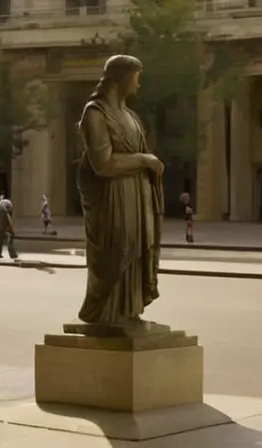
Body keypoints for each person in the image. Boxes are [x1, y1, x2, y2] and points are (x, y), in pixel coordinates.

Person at [75, 54, 165, 325]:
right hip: (112, 200)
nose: (138, 83)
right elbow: (102, 163)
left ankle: (128, 310)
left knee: (136, 251)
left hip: (137, 197)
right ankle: (104, 312)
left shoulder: (131, 116)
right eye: (136, 76)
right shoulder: (95, 112)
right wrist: (144, 160)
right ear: (122, 77)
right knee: (116, 252)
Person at [0, 195, 18, 260]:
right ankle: (12, 254)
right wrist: (11, 227)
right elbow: (8, 216)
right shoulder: (8, 204)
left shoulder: (0, 204)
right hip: (3, 212)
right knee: (11, 234)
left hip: (0, 213)